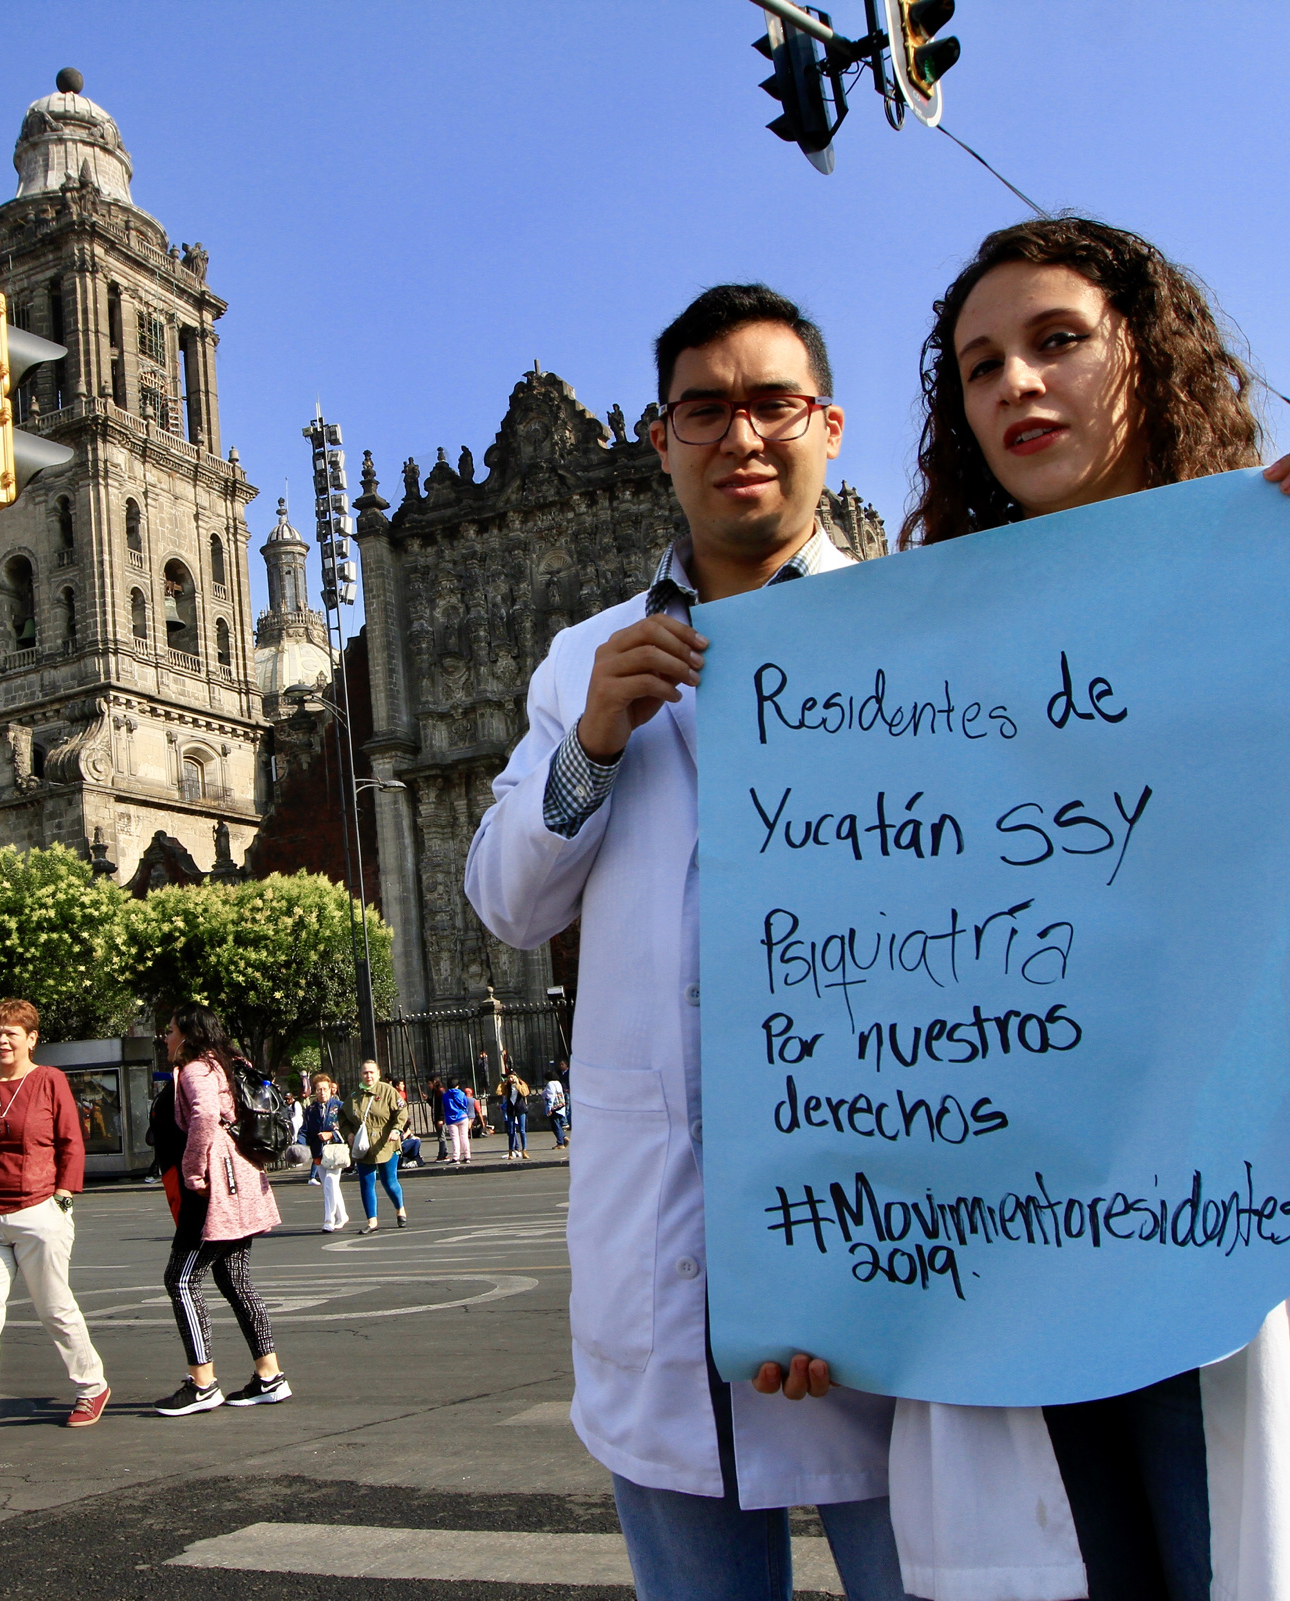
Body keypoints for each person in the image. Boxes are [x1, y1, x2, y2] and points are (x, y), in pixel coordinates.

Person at [878, 218, 1290, 1600]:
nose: (1013, 383)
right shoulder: (905, 664)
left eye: (1056, 339)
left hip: (1248, 1240)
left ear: (1146, 354)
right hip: (1023, 1253)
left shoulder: (1285, 599)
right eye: (978, 364)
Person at [466, 284, 914, 1601]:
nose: (741, 436)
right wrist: (592, 747)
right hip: (666, 1269)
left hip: (883, 1249)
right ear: (661, 438)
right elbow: (505, 901)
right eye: (703, 409)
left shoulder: (919, 636)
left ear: (827, 427)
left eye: (773, 404)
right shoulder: (583, 660)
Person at [0, 997, 110, 1448]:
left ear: (31, 1039)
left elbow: (70, 1140)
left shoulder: (49, 1080)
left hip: (39, 1211)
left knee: (53, 1307)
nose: (2, 1041)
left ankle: (91, 1386)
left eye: (11, 1033)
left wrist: (63, 1196)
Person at [154, 1005, 288, 1415]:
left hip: (216, 1186)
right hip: (243, 1178)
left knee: (180, 1279)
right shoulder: (230, 1062)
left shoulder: (196, 1068)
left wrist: (193, 1172)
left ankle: (202, 1383)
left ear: (189, 1033)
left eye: (171, 1029)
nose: (166, 1036)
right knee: (235, 1279)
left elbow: (205, 1116)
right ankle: (269, 1376)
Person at [338, 1059, 408, 1233]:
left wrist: (397, 1129)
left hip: (386, 1143)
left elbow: (402, 1111)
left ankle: (400, 1208)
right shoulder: (354, 1095)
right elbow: (343, 1118)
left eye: (371, 1072)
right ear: (360, 1074)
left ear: (378, 1074)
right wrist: (349, 1134)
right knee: (366, 1182)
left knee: (389, 1181)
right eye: (365, 1072)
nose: (368, 1076)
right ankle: (372, 1221)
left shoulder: (388, 1091)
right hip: (364, 1145)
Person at [303, 1075, 348, 1233]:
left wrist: (332, 1135)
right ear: (314, 1091)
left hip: (335, 1152)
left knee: (330, 1180)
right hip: (319, 1153)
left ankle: (328, 1219)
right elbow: (304, 1131)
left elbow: (348, 1128)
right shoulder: (310, 1110)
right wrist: (299, 1146)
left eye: (325, 1089)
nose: (322, 1092)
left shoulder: (340, 1106)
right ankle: (342, 1216)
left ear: (331, 1090)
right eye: (319, 1089)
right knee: (330, 1186)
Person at [439, 1077, 475, 1166]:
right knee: (464, 1137)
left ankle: (456, 1157)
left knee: (455, 1138)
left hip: (451, 1118)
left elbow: (444, 1107)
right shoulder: (461, 1093)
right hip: (462, 1116)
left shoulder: (445, 1095)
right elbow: (465, 1104)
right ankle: (467, 1156)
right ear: (457, 1085)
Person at [500, 1069, 532, 1160]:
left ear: (516, 1076)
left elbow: (525, 1093)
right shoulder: (507, 1086)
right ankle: (510, 1151)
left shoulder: (521, 1084)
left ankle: (524, 1150)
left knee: (522, 1130)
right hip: (511, 1109)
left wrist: (517, 1084)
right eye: (509, 1077)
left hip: (520, 1108)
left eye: (511, 1076)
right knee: (511, 1131)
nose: (510, 1079)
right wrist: (503, 1082)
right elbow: (499, 1092)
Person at [543, 1068, 569, 1148]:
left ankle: (560, 1142)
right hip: (561, 1106)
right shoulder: (558, 1083)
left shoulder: (550, 1084)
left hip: (554, 1108)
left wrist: (549, 1108)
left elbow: (551, 1096)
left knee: (555, 1125)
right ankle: (563, 1138)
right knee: (558, 1124)